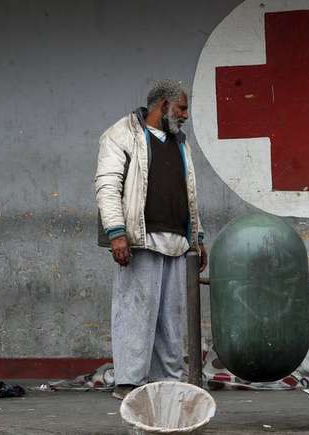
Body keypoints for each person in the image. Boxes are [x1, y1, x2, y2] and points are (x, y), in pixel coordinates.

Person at [95, 79, 207, 399]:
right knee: (135, 311)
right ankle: (130, 381)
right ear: (162, 106)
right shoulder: (122, 134)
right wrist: (116, 234)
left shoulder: (180, 143)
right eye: (182, 108)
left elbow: (191, 194)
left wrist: (197, 239)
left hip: (177, 242)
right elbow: (107, 187)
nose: (185, 115)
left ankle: (167, 381)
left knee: (171, 317)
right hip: (139, 240)